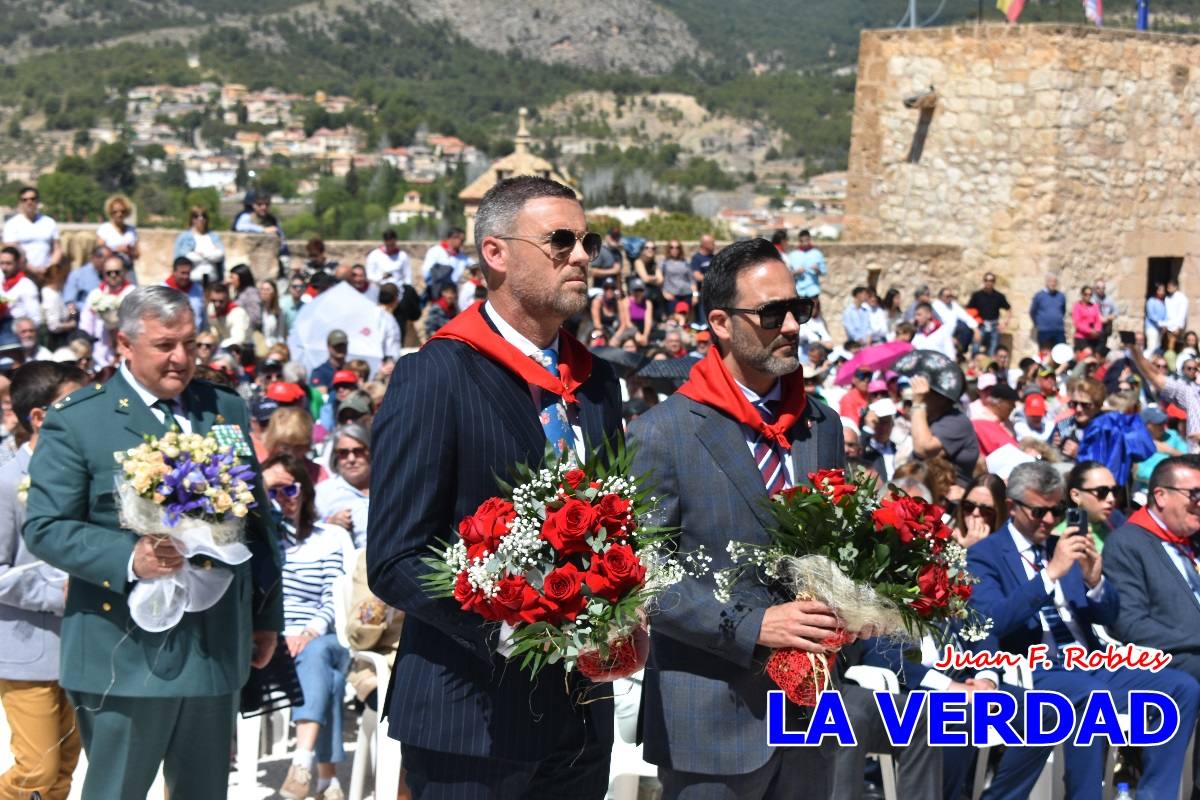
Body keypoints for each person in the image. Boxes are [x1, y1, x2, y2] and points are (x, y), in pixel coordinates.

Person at [628, 237, 939, 799]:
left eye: (800, 308)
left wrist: (865, 602)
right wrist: (753, 626)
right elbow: (641, 577)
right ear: (721, 323)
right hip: (710, 724)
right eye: (773, 313)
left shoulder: (820, 426)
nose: (793, 325)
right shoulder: (663, 432)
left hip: (810, 719)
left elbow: (834, 549)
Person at [367, 176, 622, 796]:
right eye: (560, 241)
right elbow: (397, 557)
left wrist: (622, 609)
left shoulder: (597, 383)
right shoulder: (436, 374)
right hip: (469, 716)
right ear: (496, 253)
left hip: (581, 717)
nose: (582, 257)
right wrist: (518, 628)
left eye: (587, 242)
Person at [22, 285, 282, 798]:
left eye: (190, 343)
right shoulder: (80, 419)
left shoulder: (223, 408)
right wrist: (129, 557)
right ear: (124, 343)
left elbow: (258, 523)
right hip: (122, 651)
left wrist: (265, 615)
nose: (181, 358)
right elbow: (46, 527)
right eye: (165, 345)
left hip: (214, 645)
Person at [967, 460, 1200, 800]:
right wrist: (1049, 575)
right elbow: (992, 621)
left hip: (1088, 662)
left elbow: (1110, 616)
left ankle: (1155, 796)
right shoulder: (985, 555)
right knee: (1090, 697)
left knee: (1181, 688)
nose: (1049, 520)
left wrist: (1095, 581)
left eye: (1056, 510)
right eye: (1039, 512)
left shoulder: (1061, 545)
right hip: (1033, 668)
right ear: (1012, 506)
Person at [0, 361, 87, 800]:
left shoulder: (86, 473)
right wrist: (58, 591)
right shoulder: (6, 481)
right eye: (77, 403)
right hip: (25, 649)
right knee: (37, 769)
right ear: (39, 417)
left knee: (64, 767)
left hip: (82, 644)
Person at [261, 453, 351, 800]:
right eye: (271, 492)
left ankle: (301, 763)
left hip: (320, 635)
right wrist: (279, 633)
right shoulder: (260, 543)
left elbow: (332, 596)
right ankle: (327, 781)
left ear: (305, 491)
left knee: (317, 654)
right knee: (332, 680)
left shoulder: (328, 538)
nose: (281, 499)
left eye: (289, 489)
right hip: (273, 638)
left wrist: (309, 631)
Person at [910, 368, 979, 487]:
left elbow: (922, 449)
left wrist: (918, 403)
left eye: (928, 391)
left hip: (950, 492)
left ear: (942, 396)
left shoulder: (957, 421)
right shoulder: (930, 418)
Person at [315, 422, 371, 548]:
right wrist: (328, 523)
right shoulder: (322, 493)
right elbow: (306, 533)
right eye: (343, 453)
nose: (351, 459)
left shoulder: (388, 484)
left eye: (358, 451)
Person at [79, 255, 134, 368]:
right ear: (103, 273)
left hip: (126, 349)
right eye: (109, 273)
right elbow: (86, 324)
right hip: (100, 351)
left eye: (117, 272)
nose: (113, 275)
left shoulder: (132, 293)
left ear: (124, 272)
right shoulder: (95, 295)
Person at [1058, 460, 1119, 552]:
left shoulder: (1116, 528)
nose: (1111, 499)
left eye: (1115, 491)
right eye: (1102, 491)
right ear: (1076, 495)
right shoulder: (1061, 538)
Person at [2, 187, 60, 282]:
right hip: (22, 276)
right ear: (20, 202)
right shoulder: (12, 225)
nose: (29, 202)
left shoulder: (49, 222)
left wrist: (49, 268)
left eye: (32, 199)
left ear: (38, 201)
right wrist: (33, 270)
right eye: (25, 200)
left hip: (47, 275)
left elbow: (57, 248)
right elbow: (11, 253)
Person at [1052, 376, 1105, 460]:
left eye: (1085, 405)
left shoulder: (1107, 430)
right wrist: (1053, 447)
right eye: (1075, 403)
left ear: (1098, 406)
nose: (1078, 409)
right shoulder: (1063, 425)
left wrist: (1079, 454)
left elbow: (1110, 461)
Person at [953, 472, 1008, 549]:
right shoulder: (947, 533)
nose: (975, 513)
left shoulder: (1003, 548)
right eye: (969, 505)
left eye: (985, 510)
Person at [0, 247, 43, 345]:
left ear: (18, 263)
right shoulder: (1, 280)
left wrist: (27, 333)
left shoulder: (26, 285)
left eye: (8, 263)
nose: (4, 268)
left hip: (15, 326)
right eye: (2, 263)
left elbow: (35, 317)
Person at [173, 205, 224, 285]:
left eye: (203, 216)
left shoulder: (214, 236)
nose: (201, 219)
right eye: (196, 216)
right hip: (192, 281)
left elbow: (220, 255)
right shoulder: (185, 237)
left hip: (212, 280)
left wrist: (201, 254)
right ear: (191, 219)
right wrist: (211, 254)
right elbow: (182, 259)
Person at [421, 227, 472, 301]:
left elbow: (474, 265)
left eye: (463, 240)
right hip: (438, 292)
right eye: (460, 239)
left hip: (454, 293)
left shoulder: (462, 257)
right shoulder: (435, 251)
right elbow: (426, 272)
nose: (461, 242)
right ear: (451, 238)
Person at [967, 272, 1011, 357]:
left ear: (994, 282)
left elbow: (1008, 309)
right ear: (984, 281)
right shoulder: (977, 295)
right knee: (976, 349)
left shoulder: (999, 296)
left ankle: (989, 365)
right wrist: (975, 327)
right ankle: (974, 364)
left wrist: (1004, 323)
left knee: (993, 351)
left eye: (991, 280)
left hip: (994, 327)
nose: (988, 282)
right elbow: (969, 311)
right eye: (986, 280)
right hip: (981, 326)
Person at [95, 195, 140, 271]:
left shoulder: (132, 230)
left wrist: (130, 251)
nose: (119, 214)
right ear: (110, 212)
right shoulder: (104, 229)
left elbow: (137, 254)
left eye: (122, 211)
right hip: (111, 271)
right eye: (115, 212)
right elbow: (99, 253)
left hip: (128, 269)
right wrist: (115, 250)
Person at [162, 255, 206, 332]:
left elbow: (203, 316)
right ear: (174, 272)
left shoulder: (198, 290)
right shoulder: (162, 289)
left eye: (188, 273)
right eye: (183, 273)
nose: (186, 277)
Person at [206, 281, 251, 349]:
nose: (217, 304)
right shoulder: (211, 308)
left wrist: (220, 347)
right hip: (225, 345)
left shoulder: (238, 313)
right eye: (213, 301)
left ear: (227, 299)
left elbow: (238, 339)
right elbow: (214, 330)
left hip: (244, 348)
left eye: (221, 301)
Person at [1029, 273, 1067, 350]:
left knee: (1061, 352)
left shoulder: (1061, 296)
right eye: (1050, 281)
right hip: (1044, 330)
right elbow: (1032, 312)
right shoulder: (1039, 296)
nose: (1052, 284)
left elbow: (1063, 311)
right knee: (1045, 353)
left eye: (1054, 281)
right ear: (1046, 282)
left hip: (1059, 330)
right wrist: (1038, 324)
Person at [787, 228, 826, 299]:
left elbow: (823, 272)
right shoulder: (792, 255)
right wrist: (796, 272)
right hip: (799, 292)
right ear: (799, 241)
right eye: (802, 241)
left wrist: (817, 270)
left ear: (809, 239)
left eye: (806, 240)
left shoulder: (817, 254)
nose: (805, 243)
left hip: (813, 291)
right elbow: (787, 274)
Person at [63, 245, 104, 312]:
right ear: (93, 257)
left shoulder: (113, 275)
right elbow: (69, 303)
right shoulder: (77, 275)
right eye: (103, 258)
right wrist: (73, 315)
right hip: (82, 314)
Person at [660, 240, 695, 314]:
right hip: (672, 295)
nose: (674, 249)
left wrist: (695, 295)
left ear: (680, 249)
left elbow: (692, 280)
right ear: (668, 249)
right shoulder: (664, 263)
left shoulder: (686, 262)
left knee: (686, 318)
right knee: (674, 318)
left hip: (687, 294)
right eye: (671, 247)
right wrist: (663, 292)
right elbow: (660, 280)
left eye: (677, 247)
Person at [229, 263, 263, 331]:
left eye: (232, 277)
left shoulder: (251, 293)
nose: (230, 281)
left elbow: (256, 317)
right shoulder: (239, 293)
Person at [1071, 285, 1102, 353]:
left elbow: (1098, 320)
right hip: (1082, 337)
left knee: (1097, 355)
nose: (1088, 296)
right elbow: (1077, 323)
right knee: (1088, 353)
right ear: (1082, 294)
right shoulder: (1077, 306)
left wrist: (1097, 330)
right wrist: (1090, 331)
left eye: (1090, 294)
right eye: (1086, 294)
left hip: (1094, 337)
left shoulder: (1094, 306)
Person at [623, 278, 654, 347]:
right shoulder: (626, 301)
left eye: (640, 290)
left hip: (643, 328)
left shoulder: (647, 303)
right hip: (630, 329)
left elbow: (648, 321)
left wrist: (645, 336)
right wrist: (636, 334)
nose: (638, 293)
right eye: (636, 290)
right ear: (631, 291)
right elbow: (627, 322)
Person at [1164, 278, 1189, 353]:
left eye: (1170, 286)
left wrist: (1178, 327)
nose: (1168, 288)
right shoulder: (1167, 298)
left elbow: (1182, 313)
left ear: (1176, 287)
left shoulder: (1182, 298)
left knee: (1173, 347)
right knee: (1167, 347)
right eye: (1168, 287)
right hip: (1168, 326)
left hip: (1176, 327)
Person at [1094, 279, 1117, 355]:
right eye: (1098, 288)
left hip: (1105, 328)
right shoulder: (1092, 299)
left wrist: (1107, 318)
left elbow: (1116, 312)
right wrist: (1100, 318)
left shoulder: (1109, 299)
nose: (1101, 290)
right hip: (1094, 328)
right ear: (1095, 288)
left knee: (1102, 348)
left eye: (1103, 288)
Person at [260, 279, 285, 347]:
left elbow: (281, 335)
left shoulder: (278, 312)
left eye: (267, 289)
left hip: (272, 347)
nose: (264, 292)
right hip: (259, 347)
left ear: (274, 292)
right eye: (262, 289)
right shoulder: (257, 310)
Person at [1145, 283, 1168, 355]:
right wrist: (1160, 324)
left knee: (1157, 348)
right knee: (1151, 347)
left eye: (1163, 290)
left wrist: (1165, 324)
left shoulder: (1163, 302)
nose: (1162, 292)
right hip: (1152, 327)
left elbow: (1165, 315)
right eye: (1160, 290)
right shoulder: (1151, 301)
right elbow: (1151, 315)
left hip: (1160, 329)